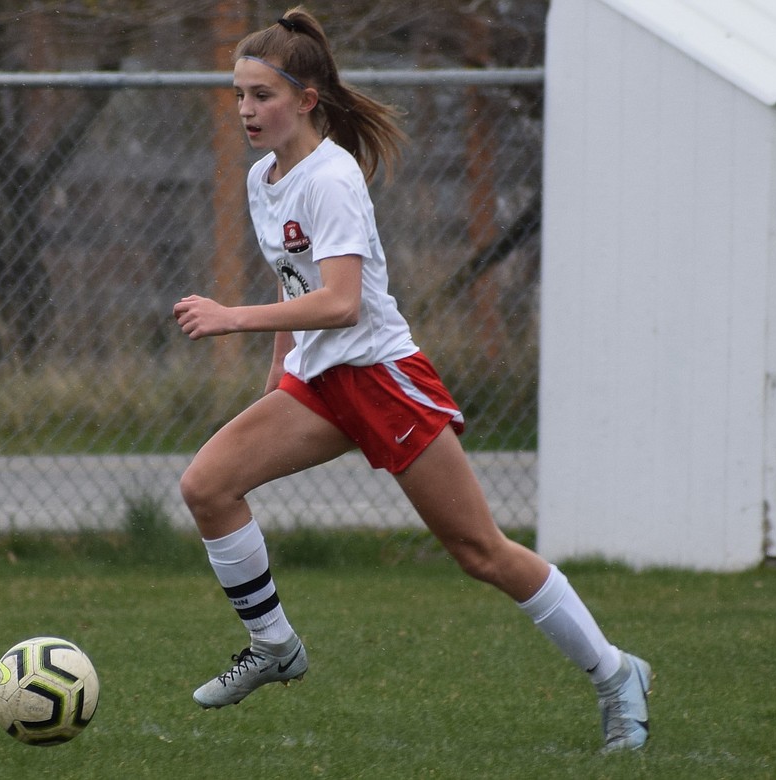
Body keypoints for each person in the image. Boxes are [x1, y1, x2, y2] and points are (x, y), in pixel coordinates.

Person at [172, 6, 652, 753]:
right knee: (207, 486)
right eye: (238, 94)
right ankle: (274, 646)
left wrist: (233, 319)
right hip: (319, 380)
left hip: (380, 379)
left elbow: (340, 302)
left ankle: (617, 672)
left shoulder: (331, 179)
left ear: (307, 99)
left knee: (480, 552)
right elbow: (298, 288)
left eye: (262, 95)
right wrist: (277, 371)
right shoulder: (265, 177)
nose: (245, 110)